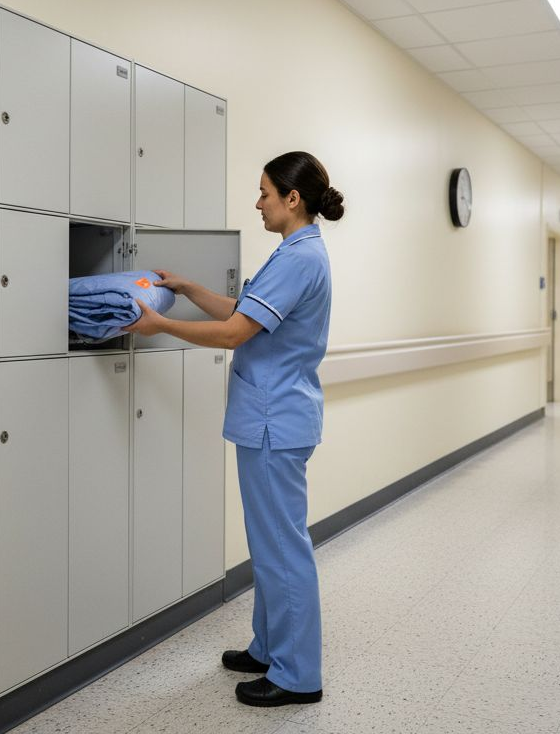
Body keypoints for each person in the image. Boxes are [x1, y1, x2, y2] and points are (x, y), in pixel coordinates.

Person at [127, 151, 342, 707]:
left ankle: (297, 675)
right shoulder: (294, 252)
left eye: (265, 193)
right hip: (270, 419)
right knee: (268, 544)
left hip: (275, 422)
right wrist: (190, 287)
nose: (258, 202)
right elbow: (242, 311)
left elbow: (232, 335)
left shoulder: (299, 258)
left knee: (282, 548)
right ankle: (269, 646)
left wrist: (160, 324)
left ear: (293, 199)